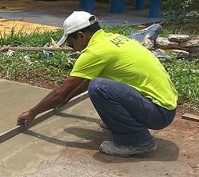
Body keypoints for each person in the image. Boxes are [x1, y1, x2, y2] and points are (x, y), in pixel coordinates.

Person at [16, 11, 178, 157]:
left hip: (158, 113)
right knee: (99, 83)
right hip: (164, 105)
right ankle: (123, 125)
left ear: (81, 36)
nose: (73, 49)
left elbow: (62, 92)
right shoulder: (112, 39)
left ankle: (136, 141)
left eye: (71, 43)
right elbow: (82, 82)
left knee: (99, 87)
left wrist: (32, 113)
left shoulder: (95, 51)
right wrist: (67, 98)